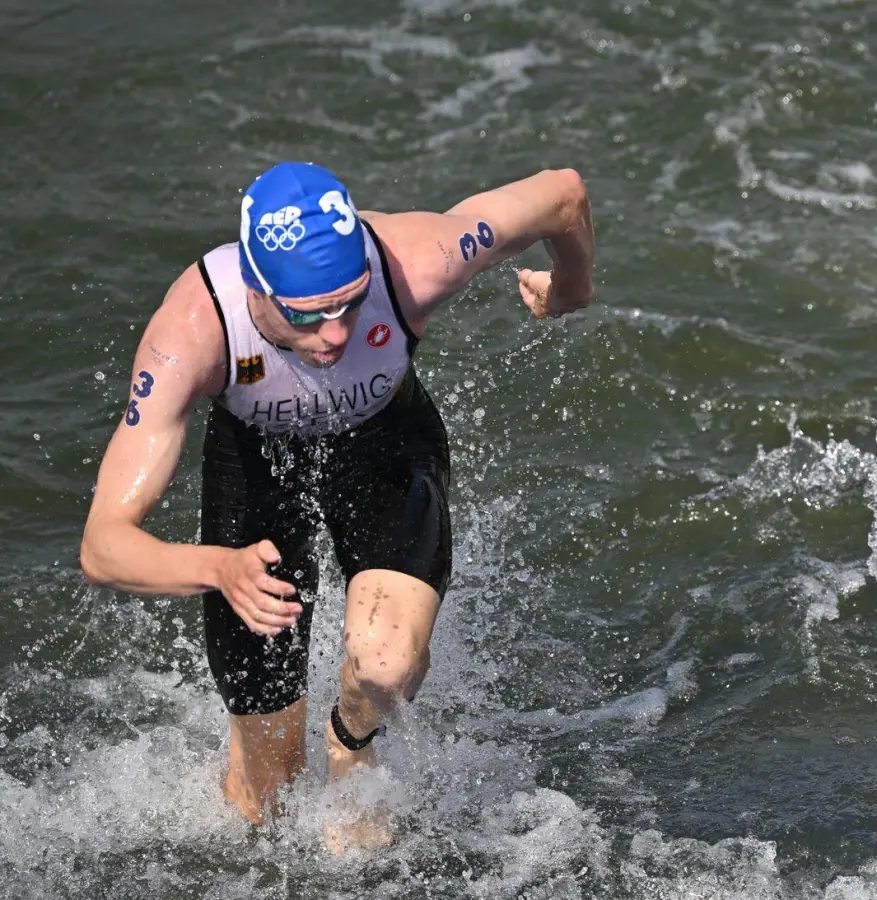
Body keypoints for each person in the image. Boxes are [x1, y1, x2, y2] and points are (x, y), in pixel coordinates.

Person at [79, 161, 594, 846]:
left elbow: (563, 194)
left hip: (383, 444)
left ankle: (350, 737)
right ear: (255, 288)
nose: (335, 334)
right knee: (264, 803)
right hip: (256, 472)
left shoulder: (416, 260)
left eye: (350, 302)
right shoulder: (194, 330)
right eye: (307, 315)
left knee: (385, 666)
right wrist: (217, 568)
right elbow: (103, 544)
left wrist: (571, 287)